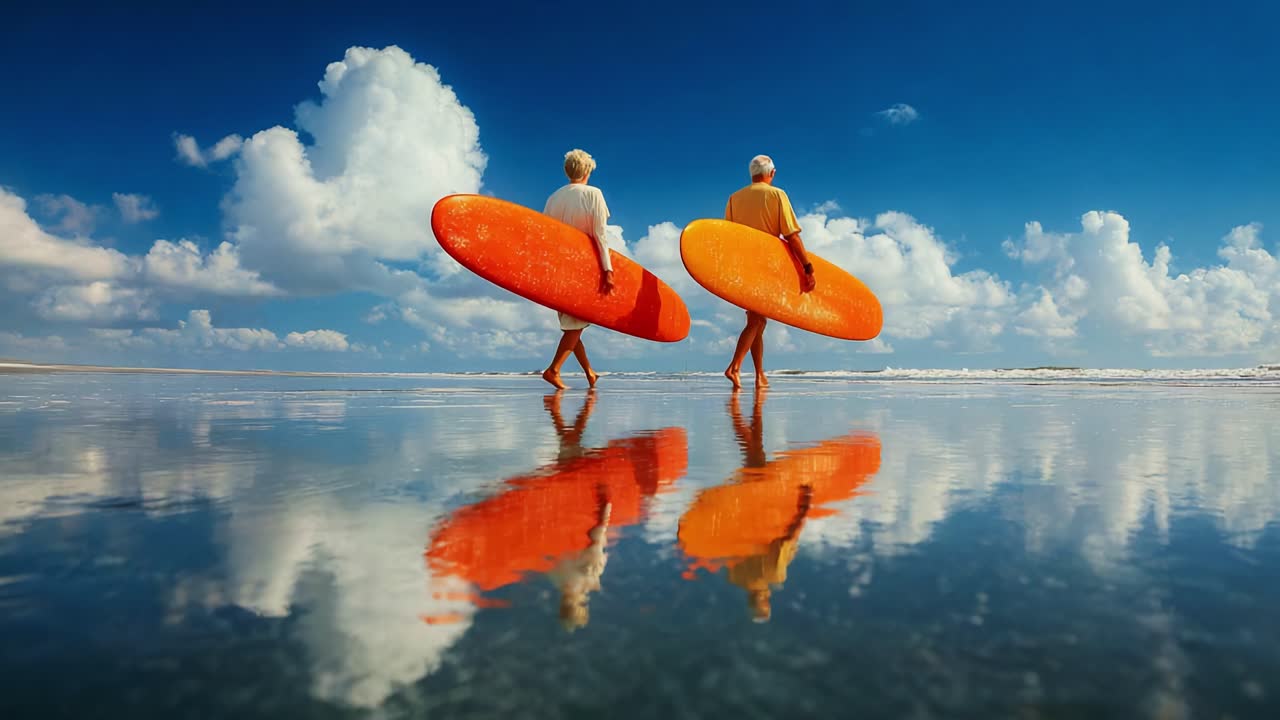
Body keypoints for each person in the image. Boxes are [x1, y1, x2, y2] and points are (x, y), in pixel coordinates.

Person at [722, 154, 817, 390]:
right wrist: (807, 266)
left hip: (743, 267)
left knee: (758, 320)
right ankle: (734, 368)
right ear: (772, 173)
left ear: (751, 173)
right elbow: (791, 235)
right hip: (765, 266)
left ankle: (759, 375)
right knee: (757, 319)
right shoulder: (777, 195)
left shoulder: (734, 198)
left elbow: (728, 236)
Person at [541, 149, 616, 390]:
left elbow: (545, 235)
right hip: (582, 267)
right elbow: (600, 234)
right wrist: (608, 269)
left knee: (573, 325)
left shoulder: (553, 198)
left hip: (558, 268)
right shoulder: (593, 194)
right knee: (576, 323)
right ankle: (553, 370)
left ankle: (590, 372)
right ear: (587, 171)